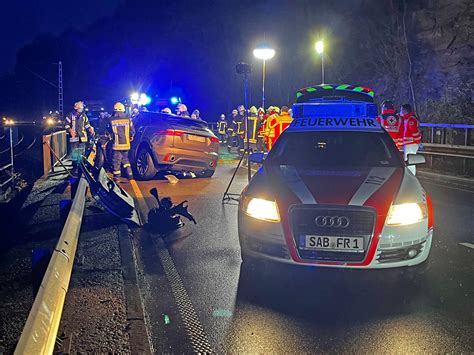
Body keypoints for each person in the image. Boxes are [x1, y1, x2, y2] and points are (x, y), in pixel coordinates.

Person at [64, 101, 94, 175]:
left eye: (82, 108)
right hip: (74, 138)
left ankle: (81, 169)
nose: (81, 109)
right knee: (74, 154)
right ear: (76, 108)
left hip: (82, 138)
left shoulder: (84, 116)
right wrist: (70, 130)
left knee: (81, 154)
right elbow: (66, 125)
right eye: (80, 107)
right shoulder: (70, 115)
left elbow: (87, 125)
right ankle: (74, 168)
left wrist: (90, 128)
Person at [109, 102, 135, 182]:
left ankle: (116, 178)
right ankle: (130, 175)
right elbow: (132, 131)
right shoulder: (128, 119)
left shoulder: (111, 120)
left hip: (116, 145)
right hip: (126, 144)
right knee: (126, 160)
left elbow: (109, 132)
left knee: (116, 162)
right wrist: (131, 137)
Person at [400, 103, 421, 174]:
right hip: (409, 144)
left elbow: (414, 132)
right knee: (408, 161)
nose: (400, 112)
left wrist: (417, 141)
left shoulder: (411, 119)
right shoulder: (407, 118)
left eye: (401, 110)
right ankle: (410, 175)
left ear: (405, 111)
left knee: (410, 162)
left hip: (411, 144)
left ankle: (411, 176)